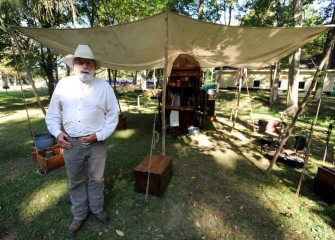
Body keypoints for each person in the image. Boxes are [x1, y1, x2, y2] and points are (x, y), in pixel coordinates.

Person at [45, 44, 119, 237]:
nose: (84, 66)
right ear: (73, 65)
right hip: (71, 143)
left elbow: (113, 115)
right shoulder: (63, 85)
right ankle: (79, 214)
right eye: (80, 62)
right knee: (75, 181)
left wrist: (99, 135)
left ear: (94, 65)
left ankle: (96, 208)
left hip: (97, 143)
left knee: (96, 179)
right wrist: (58, 133)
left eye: (88, 63)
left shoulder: (104, 87)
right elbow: (53, 114)